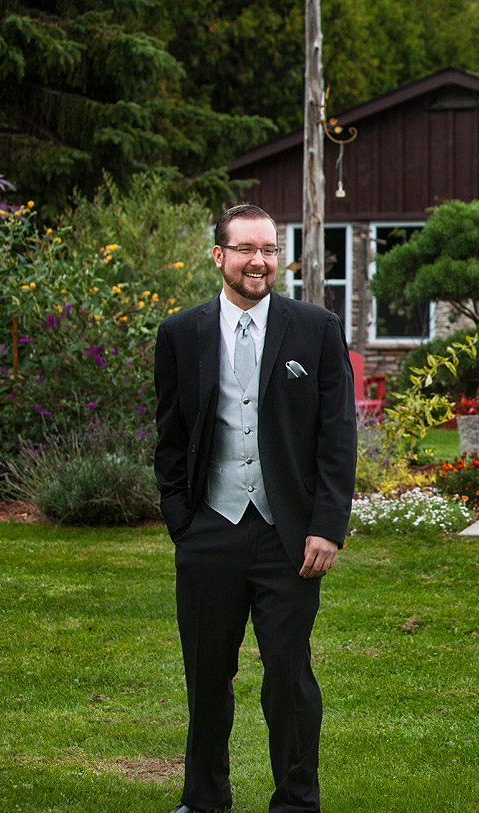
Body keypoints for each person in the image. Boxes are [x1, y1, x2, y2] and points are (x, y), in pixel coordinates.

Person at [155, 204, 357, 812]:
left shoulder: (315, 328)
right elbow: (169, 436)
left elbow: (338, 434)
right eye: (246, 249)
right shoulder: (181, 334)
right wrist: (180, 523)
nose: (259, 262)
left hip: (287, 536)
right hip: (209, 529)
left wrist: (326, 527)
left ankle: (296, 801)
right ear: (219, 256)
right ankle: (204, 798)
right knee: (206, 679)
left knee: (289, 679)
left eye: (269, 250)